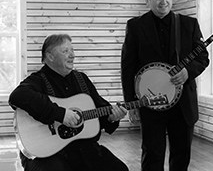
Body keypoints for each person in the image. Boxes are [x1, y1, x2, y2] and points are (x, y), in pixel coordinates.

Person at [121, 0, 209, 171]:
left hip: (183, 102)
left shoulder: (189, 24)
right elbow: (127, 67)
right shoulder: (135, 26)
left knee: (181, 154)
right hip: (150, 101)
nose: (164, 1)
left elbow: (203, 58)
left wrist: (188, 72)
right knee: (152, 153)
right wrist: (130, 103)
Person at [9, 34, 129, 171]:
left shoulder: (82, 79)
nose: (72, 55)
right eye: (65, 51)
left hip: (83, 149)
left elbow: (100, 111)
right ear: (50, 56)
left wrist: (112, 118)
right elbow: (17, 96)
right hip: (46, 154)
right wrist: (61, 114)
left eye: (72, 50)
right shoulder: (38, 80)